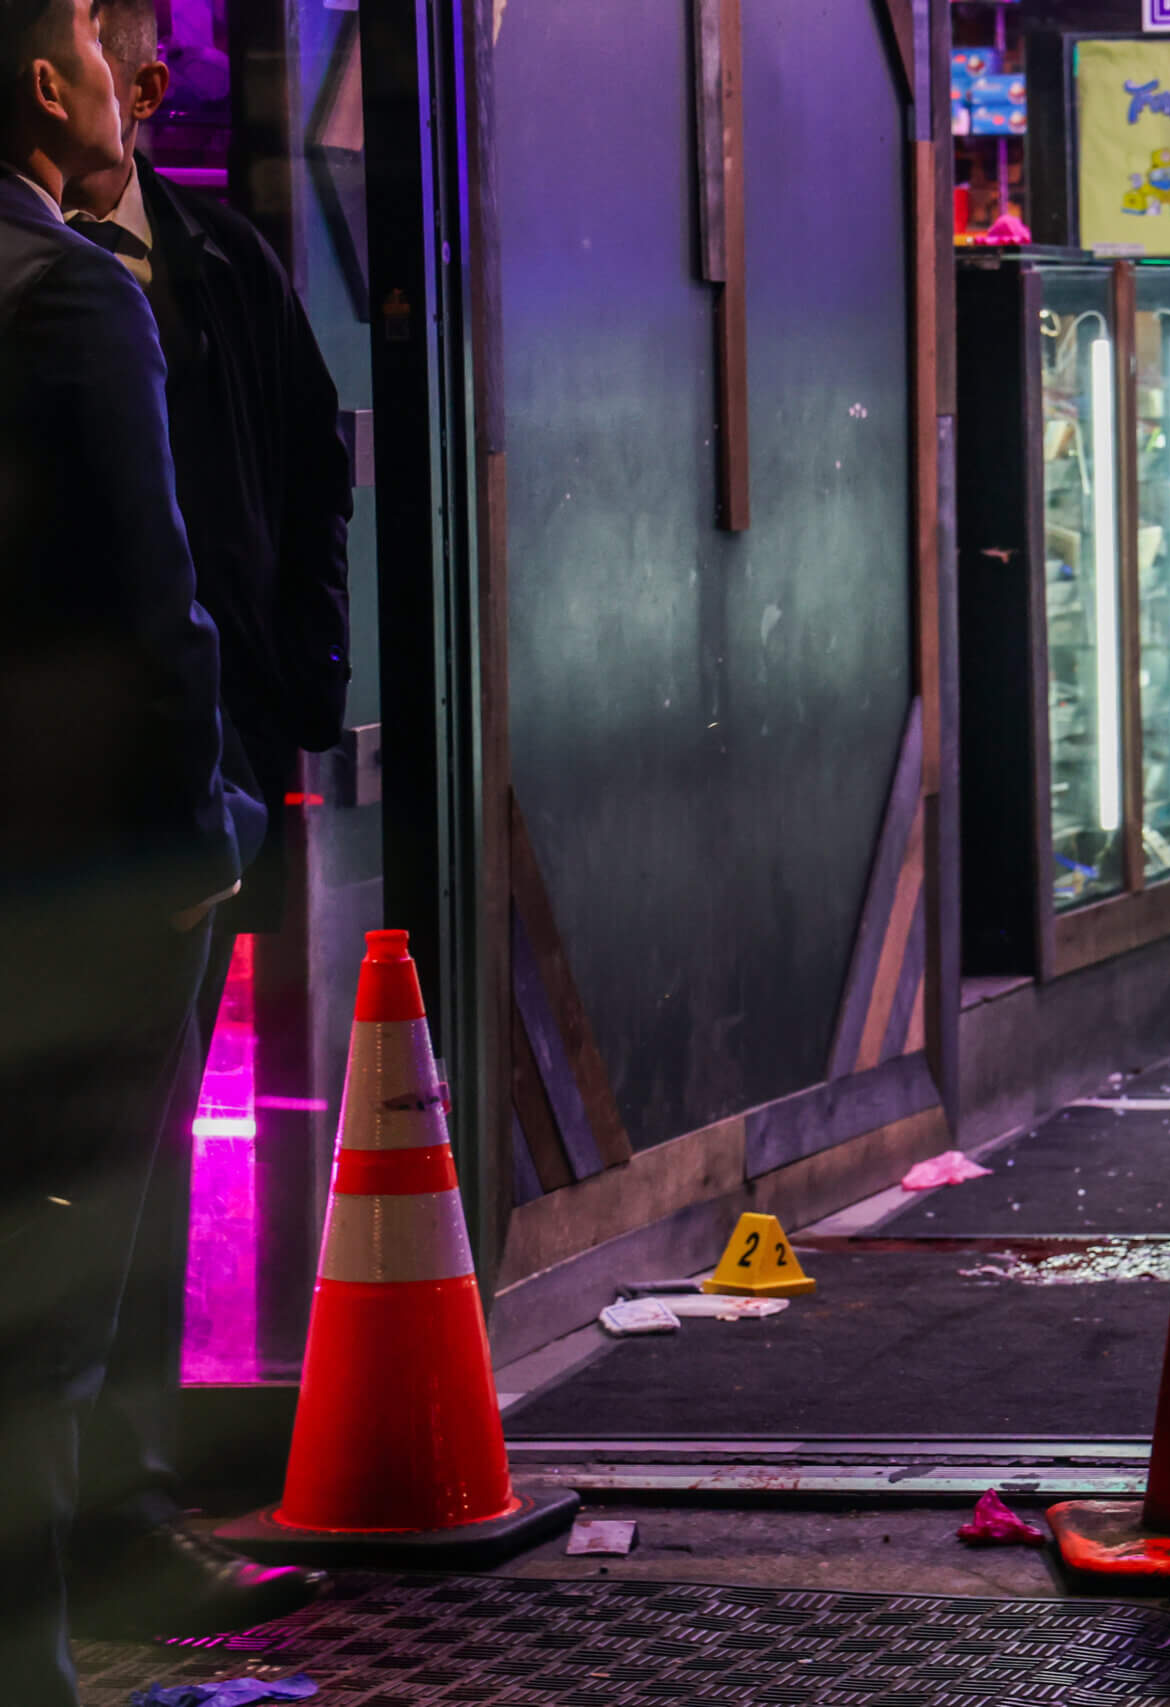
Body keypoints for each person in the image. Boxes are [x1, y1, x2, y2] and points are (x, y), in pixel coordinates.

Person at [53, 0, 345, 1639]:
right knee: (87, 1172)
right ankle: (95, 1523)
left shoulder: (215, 263)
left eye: (133, 35)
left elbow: (311, 471)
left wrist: (299, 688)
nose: (125, 61)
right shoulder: (48, 280)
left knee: (149, 1164)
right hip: (85, 803)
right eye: (97, 28)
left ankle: (124, 1502)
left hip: (209, 773)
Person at [0, 0, 253, 1693]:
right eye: (98, 35)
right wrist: (194, 848)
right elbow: (156, 614)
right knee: (51, 1300)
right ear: (42, 83)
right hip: (68, 881)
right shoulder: (77, 298)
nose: (126, 69)